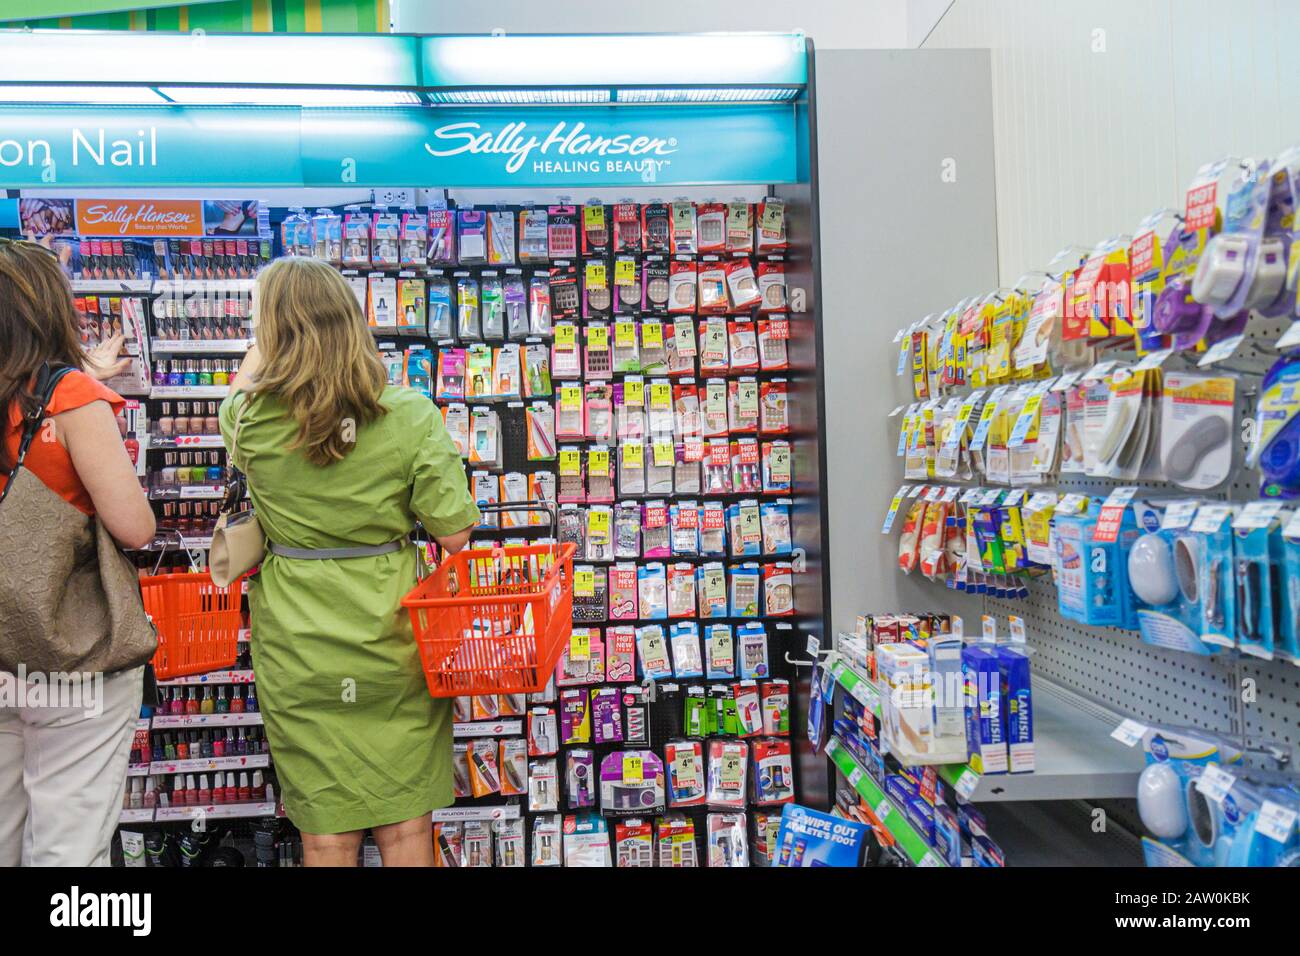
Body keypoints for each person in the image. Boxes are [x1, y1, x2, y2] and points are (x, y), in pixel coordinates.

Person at [221, 257, 479, 866]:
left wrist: (266, 349)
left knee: (326, 834)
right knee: (406, 830)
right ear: (353, 322)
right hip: (392, 638)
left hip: (298, 647)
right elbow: (459, 532)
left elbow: (242, 389)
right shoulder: (407, 414)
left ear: (272, 332)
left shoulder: (248, 422)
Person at [0, 237, 157, 866]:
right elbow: (134, 527)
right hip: (71, 662)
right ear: (48, 311)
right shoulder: (71, 401)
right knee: (67, 850)